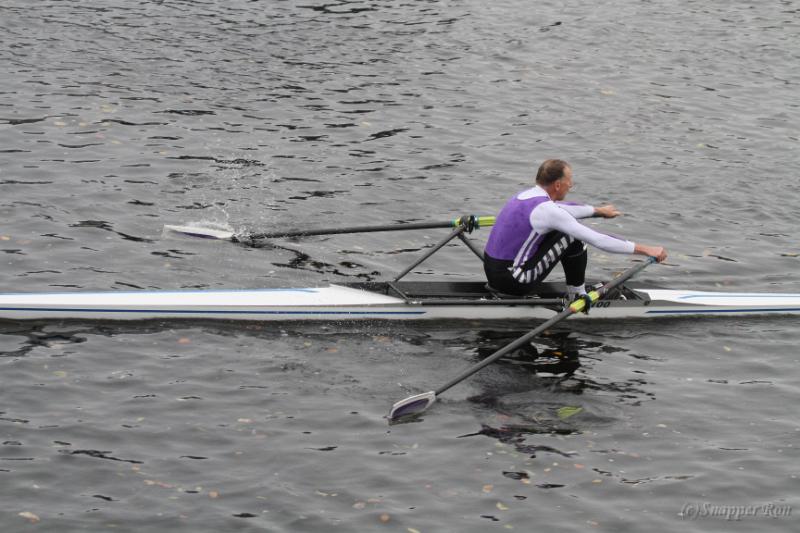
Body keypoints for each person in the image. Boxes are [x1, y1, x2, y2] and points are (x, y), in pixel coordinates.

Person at [483, 159, 667, 299]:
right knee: (572, 237)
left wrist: (598, 211)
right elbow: (598, 239)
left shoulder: (524, 196)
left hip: (494, 273)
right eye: (569, 181)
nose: (570, 185)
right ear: (558, 185)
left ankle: (576, 292)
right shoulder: (548, 210)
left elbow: (564, 209)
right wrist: (646, 249)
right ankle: (578, 295)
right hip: (514, 282)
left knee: (562, 229)